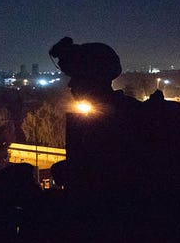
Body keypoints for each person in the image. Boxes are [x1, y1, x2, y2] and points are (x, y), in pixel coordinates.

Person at [48, 37, 141, 190]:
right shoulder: (126, 111)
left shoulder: (123, 119)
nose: (71, 84)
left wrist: (74, 171)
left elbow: (115, 170)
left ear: (94, 79)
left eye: (77, 78)